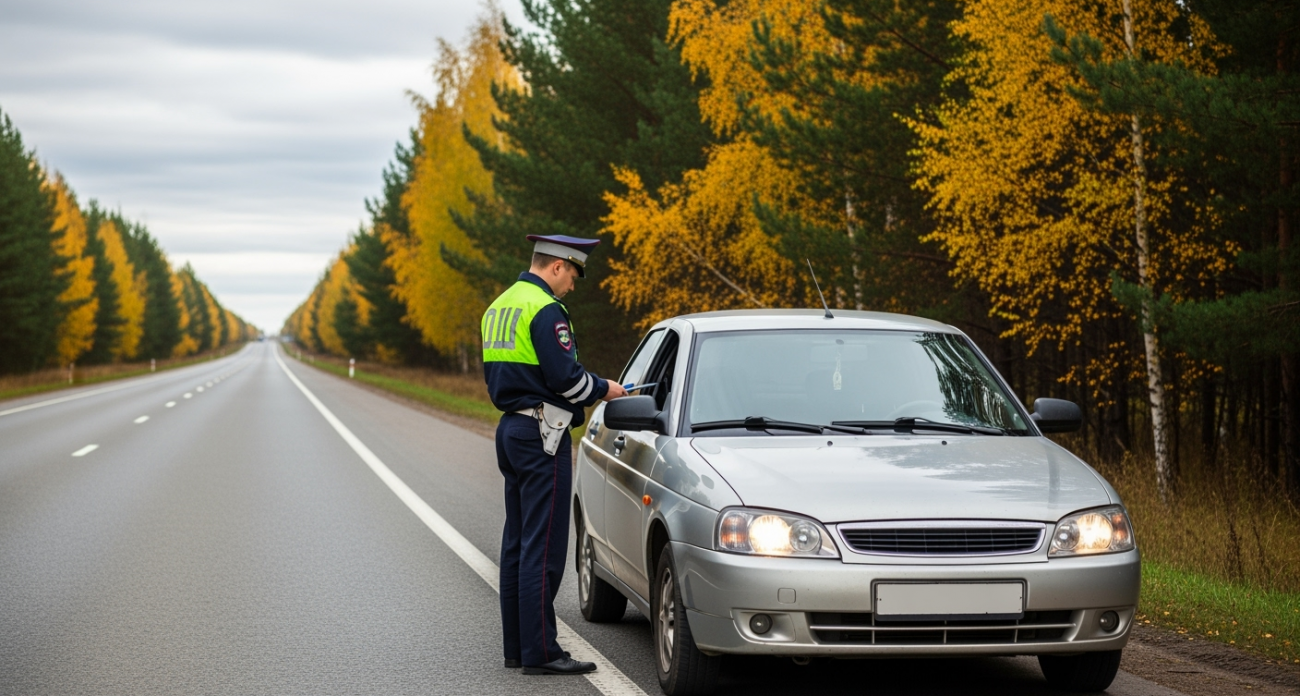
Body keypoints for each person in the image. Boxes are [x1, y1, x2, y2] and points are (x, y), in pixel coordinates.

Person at [481, 234, 628, 675]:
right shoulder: (546, 309)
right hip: (543, 433)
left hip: (511, 428)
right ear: (559, 266)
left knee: (517, 544)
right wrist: (606, 390)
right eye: (574, 276)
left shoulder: (500, 306)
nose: (573, 287)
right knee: (543, 548)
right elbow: (567, 381)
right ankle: (542, 652)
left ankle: (518, 648)